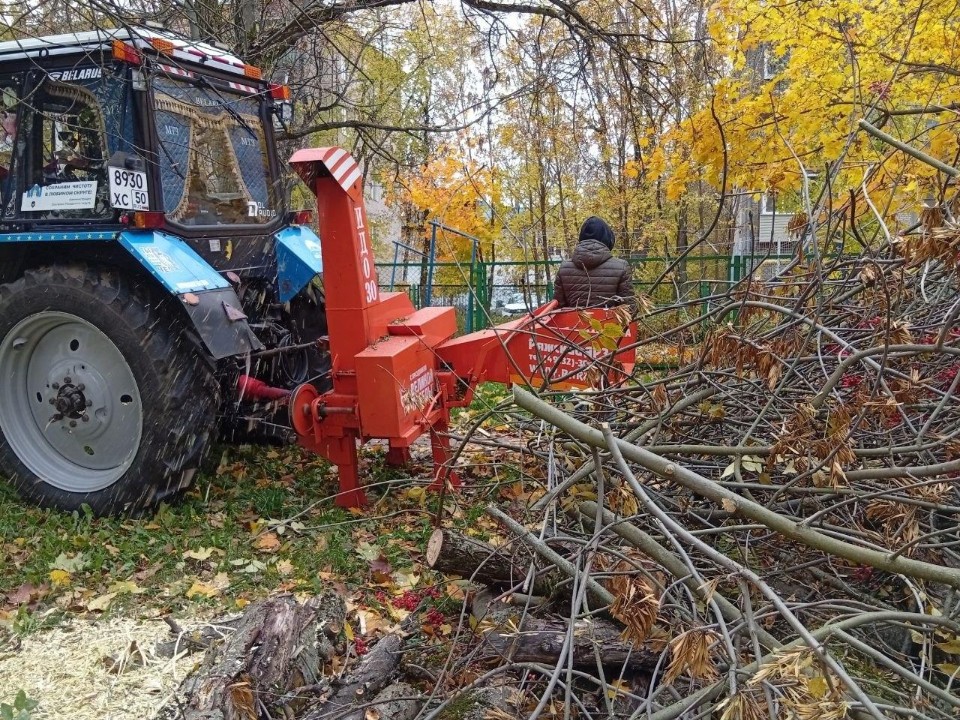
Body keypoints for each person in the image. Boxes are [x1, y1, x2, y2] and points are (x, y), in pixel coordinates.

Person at [552, 216, 634, 308]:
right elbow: (629, 310)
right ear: (607, 238)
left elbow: (558, 309)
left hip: (573, 322)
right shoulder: (621, 267)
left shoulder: (564, 268)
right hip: (610, 322)